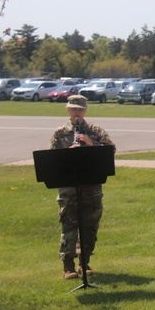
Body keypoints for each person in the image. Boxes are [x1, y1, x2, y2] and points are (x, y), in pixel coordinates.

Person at [48, 95, 115, 279]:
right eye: (73, 109)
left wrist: (91, 144)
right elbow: (51, 160)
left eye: (80, 109)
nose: (77, 112)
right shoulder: (60, 133)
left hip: (91, 185)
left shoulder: (95, 130)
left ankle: (84, 263)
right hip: (68, 187)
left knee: (90, 224)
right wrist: (67, 153)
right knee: (69, 224)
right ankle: (68, 266)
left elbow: (111, 150)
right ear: (68, 110)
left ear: (85, 110)